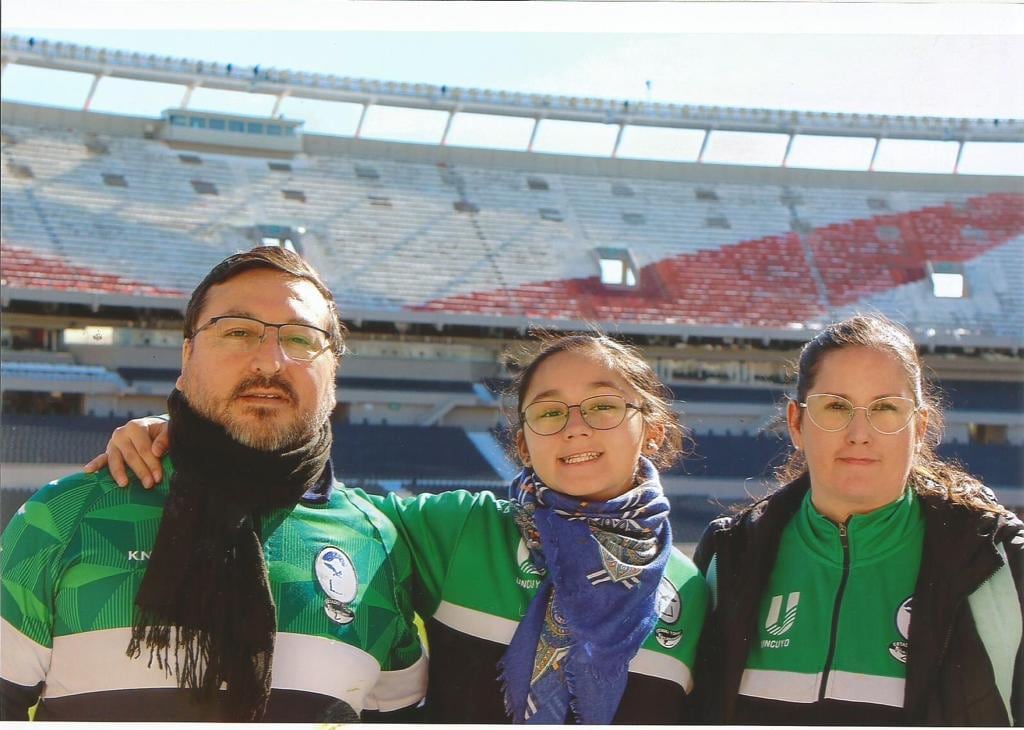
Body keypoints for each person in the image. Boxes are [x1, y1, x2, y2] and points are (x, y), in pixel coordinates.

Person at [84, 332, 710, 723]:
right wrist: (187, 439)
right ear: (521, 442)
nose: (575, 426)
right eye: (548, 411)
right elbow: (317, 514)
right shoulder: (461, 529)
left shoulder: (695, 589)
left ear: (650, 427)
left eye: (602, 405)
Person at [0, 247, 426, 722]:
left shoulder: (377, 544)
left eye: (303, 339)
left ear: (334, 371)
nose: (269, 362)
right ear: (187, 357)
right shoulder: (66, 516)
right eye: (238, 332)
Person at [692, 315, 1023, 726]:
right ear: (796, 423)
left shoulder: (1001, 563)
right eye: (836, 406)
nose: (859, 433)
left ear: (919, 427)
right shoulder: (728, 557)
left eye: (885, 408)